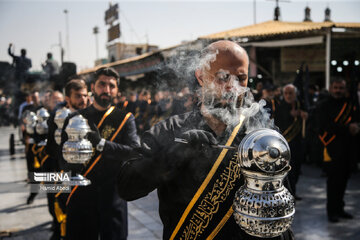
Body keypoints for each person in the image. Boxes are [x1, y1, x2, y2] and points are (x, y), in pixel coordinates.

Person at [91, 40, 294, 239]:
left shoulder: (260, 133)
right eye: (223, 77)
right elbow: (126, 187)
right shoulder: (169, 131)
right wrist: (172, 155)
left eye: (241, 78)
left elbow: (281, 202)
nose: (232, 87)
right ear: (200, 76)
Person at [62, 67, 140, 240]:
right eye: (102, 84)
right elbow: (62, 159)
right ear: (93, 87)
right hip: (80, 195)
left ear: (117, 90)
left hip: (112, 197)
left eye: (111, 86)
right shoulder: (75, 119)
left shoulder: (125, 119)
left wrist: (102, 144)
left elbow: (134, 152)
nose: (106, 89)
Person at [44, 78, 88, 239]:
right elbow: (51, 149)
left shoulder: (92, 115)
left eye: (85, 95)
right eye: (78, 96)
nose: (83, 99)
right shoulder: (58, 118)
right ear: (67, 99)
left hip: (88, 179)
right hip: (62, 174)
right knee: (63, 216)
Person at [315, 78, 360, 223]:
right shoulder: (323, 105)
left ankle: (340, 209)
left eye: (341, 88)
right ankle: (332, 211)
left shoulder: (350, 104)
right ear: (330, 88)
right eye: (335, 87)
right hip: (332, 149)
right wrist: (348, 128)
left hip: (348, 148)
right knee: (333, 183)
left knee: (343, 182)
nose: (338, 90)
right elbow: (325, 126)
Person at [274, 84, 307, 200]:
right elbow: (278, 123)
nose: (288, 95)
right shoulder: (280, 106)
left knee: (297, 169)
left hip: (298, 143)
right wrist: (290, 115)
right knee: (288, 171)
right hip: (285, 144)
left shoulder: (300, 104)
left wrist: (304, 115)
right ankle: (289, 193)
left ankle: (293, 191)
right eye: (286, 93)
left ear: (295, 94)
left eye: (290, 93)